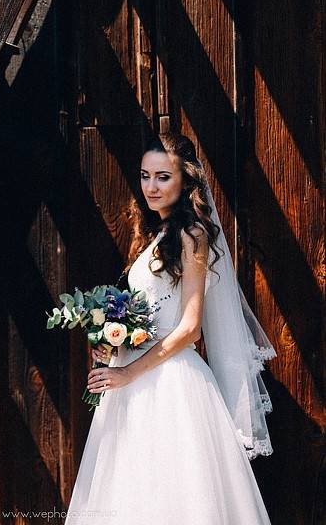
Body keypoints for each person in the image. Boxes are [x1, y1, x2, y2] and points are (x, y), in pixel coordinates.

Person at [64, 132, 276, 525]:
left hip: (171, 382)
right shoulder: (155, 235)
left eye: (163, 177)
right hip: (132, 383)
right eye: (146, 176)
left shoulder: (192, 236)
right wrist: (114, 341)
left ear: (185, 180)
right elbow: (149, 313)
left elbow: (191, 327)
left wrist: (128, 371)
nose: (151, 186)